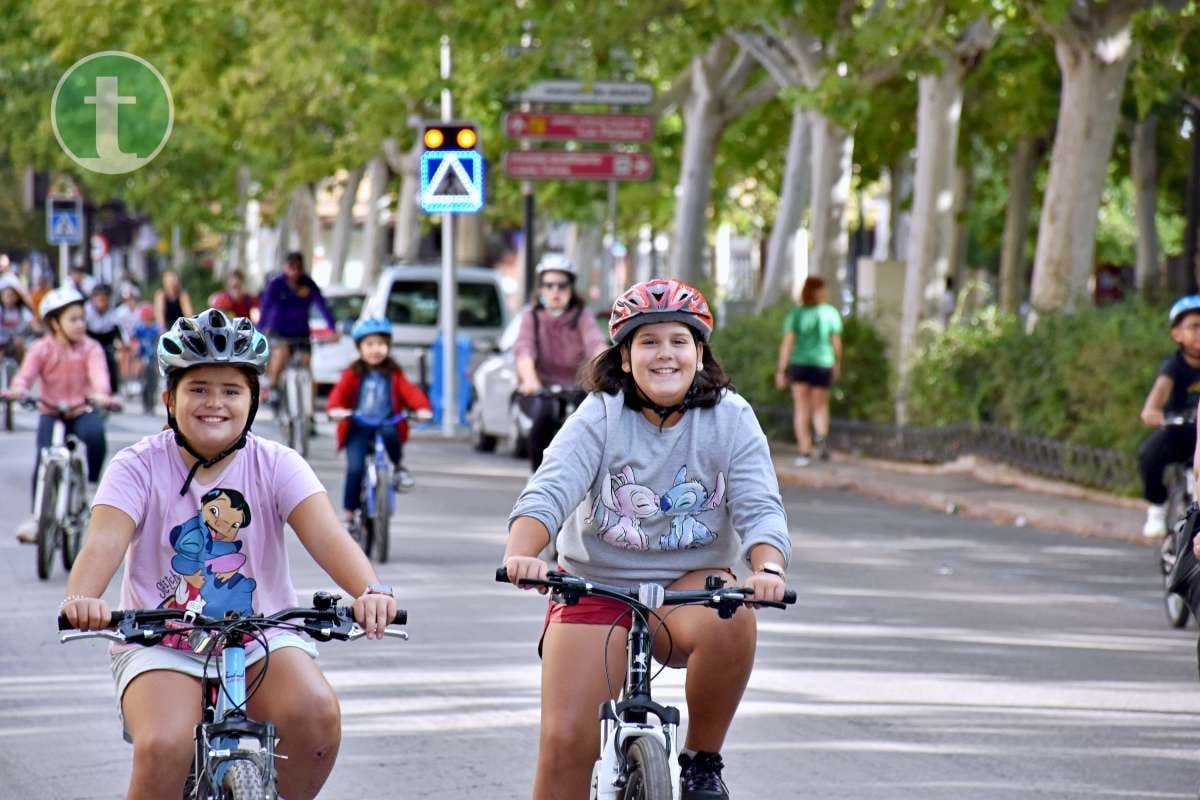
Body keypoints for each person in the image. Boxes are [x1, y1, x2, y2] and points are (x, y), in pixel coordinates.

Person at [57, 308, 398, 800]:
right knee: (164, 744)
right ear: (169, 399)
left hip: (264, 636)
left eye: (232, 390)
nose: (215, 403)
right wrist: (82, 599)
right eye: (198, 389)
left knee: (316, 716)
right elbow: (104, 541)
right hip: (162, 641)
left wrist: (370, 590)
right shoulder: (136, 466)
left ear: (253, 400)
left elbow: (329, 537)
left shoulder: (277, 463)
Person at [501, 278, 792, 800]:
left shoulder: (731, 417)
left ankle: (702, 762)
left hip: (688, 591)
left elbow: (760, 508)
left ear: (699, 355)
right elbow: (547, 492)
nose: (665, 355)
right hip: (593, 587)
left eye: (679, 342)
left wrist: (768, 569)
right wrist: (522, 554)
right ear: (625, 357)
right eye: (648, 342)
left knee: (733, 613)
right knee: (566, 743)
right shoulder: (599, 414)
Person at [5, 286, 117, 543]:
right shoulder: (41, 348)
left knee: (96, 435)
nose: (80, 324)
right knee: (43, 457)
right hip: (51, 411)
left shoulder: (91, 348)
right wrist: (19, 388)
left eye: (82, 319)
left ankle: (89, 487)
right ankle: (37, 518)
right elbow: (26, 375)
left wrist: (101, 394)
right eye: (73, 319)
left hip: (81, 409)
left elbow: (99, 376)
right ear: (55, 323)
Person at [326, 318, 433, 528]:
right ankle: (349, 514)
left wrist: (422, 409)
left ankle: (399, 468)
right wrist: (336, 410)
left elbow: (410, 392)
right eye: (370, 344)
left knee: (392, 434)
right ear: (359, 347)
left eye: (381, 344)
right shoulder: (352, 373)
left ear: (389, 347)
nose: (376, 350)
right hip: (358, 426)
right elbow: (339, 394)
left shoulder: (394, 373)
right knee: (355, 469)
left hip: (385, 423)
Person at [513, 253, 607, 471]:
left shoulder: (581, 315)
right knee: (542, 421)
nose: (555, 291)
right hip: (542, 388)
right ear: (541, 289)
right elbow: (524, 349)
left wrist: (605, 368)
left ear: (571, 288)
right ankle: (536, 479)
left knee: (590, 427)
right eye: (549, 285)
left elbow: (595, 344)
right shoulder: (532, 316)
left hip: (578, 386)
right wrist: (529, 380)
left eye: (562, 285)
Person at [1139, 295, 1200, 538]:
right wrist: (1157, 416)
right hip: (1179, 434)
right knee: (1148, 455)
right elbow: (1152, 405)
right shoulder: (1173, 368)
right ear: (1177, 334)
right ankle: (1157, 505)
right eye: (1194, 327)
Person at [774, 276, 843, 466]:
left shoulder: (796, 314)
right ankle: (821, 439)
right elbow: (836, 343)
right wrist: (837, 363)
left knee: (802, 407)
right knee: (820, 405)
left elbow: (787, 343)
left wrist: (781, 369)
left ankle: (805, 450)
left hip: (801, 364)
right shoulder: (830, 313)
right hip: (822, 363)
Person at [257, 252, 338, 400]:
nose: (294, 271)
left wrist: (332, 328)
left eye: (298, 267)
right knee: (280, 355)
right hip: (279, 331)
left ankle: (308, 409)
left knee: (306, 367)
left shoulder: (308, 284)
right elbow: (266, 308)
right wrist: (260, 330)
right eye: (291, 266)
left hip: (301, 332)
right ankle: (273, 388)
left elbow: (322, 306)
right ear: (285, 267)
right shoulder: (276, 284)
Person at [85, 283, 126, 395]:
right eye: (100, 299)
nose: (103, 303)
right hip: (90, 339)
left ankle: (112, 390)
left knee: (111, 360)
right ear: (93, 299)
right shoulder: (86, 311)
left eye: (105, 299)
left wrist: (120, 344)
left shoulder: (113, 311)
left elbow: (117, 330)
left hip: (106, 340)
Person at [0, 275, 35, 362]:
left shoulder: (22, 310)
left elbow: (33, 323)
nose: (9, 297)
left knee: (21, 344)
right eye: (7, 294)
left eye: (12, 294)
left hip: (12, 342)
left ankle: (23, 369)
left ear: (17, 297)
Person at [154, 268, 193, 332]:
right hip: (167, 326)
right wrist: (162, 329)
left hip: (181, 326)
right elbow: (160, 315)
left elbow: (188, 314)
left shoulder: (182, 295)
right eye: (169, 281)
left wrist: (190, 326)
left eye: (173, 280)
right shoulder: (161, 295)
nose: (171, 283)